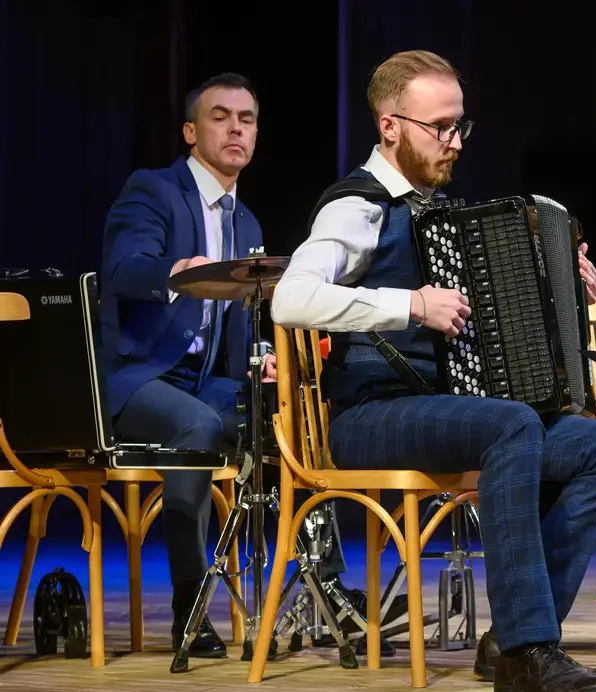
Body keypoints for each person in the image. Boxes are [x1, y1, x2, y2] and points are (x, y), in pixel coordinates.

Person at [270, 50, 596, 692]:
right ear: (390, 126)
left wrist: (561, 286)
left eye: (459, 126)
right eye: (438, 127)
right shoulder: (355, 208)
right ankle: (530, 652)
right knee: (513, 427)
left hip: (445, 413)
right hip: (367, 418)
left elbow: (497, 314)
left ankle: (512, 639)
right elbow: (291, 297)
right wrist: (408, 304)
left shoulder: (439, 215)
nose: (453, 142)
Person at [100, 73, 369, 657]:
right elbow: (125, 268)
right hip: (138, 380)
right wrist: (178, 271)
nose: (236, 128)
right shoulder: (152, 190)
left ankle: (328, 588)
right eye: (221, 117)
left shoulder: (246, 223)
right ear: (192, 132)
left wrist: (265, 358)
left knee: (296, 418)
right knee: (195, 427)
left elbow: (234, 333)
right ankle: (190, 607)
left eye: (246, 119)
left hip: (202, 383)